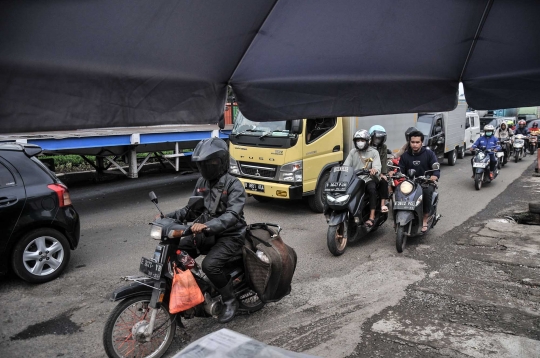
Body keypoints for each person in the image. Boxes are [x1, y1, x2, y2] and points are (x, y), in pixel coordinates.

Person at [164, 138, 247, 323]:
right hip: (205, 233)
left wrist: (208, 226)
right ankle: (199, 289)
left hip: (230, 235)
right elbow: (190, 209)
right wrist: (167, 217)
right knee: (178, 253)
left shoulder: (234, 185)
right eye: (202, 164)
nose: (206, 167)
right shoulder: (202, 182)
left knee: (210, 265)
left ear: (221, 161)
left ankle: (229, 299)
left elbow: (232, 215)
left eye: (210, 163)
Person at [398, 130, 440, 233]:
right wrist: (396, 174)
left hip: (425, 182)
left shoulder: (429, 154)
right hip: (410, 182)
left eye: (417, 142)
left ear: (422, 142)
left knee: (426, 193)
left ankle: (425, 218)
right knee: (398, 191)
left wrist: (434, 176)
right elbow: (400, 169)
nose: (415, 144)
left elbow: (436, 167)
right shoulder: (405, 156)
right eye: (413, 142)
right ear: (409, 142)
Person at [343, 129, 381, 227]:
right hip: (354, 179)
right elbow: (346, 166)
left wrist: (374, 170)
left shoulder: (374, 152)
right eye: (358, 140)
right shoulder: (353, 152)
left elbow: (377, 166)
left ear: (368, 141)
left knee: (372, 190)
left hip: (367, 178)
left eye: (362, 140)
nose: (360, 142)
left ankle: (371, 217)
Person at [369, 125, 389, 213]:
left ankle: (382, 204)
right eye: (376, 137)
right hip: (365, 172)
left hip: (378, 171)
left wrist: (382, 174)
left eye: (380, 138)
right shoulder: (366, 146)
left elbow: (383, 161)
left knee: (384, 182)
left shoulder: (383, 147)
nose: (378, 139)